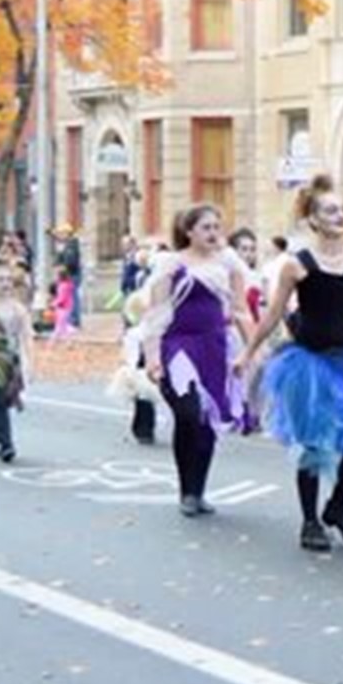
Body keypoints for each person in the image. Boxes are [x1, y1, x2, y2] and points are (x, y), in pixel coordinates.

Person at [236, 175, 343, 553]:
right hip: (307, 363)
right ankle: (310, 522)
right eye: (330, 210)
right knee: (313, 446)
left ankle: (337, 507)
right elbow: (273, 314)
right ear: (314, 220)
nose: (339, 215)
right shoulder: (297, 265)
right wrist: (247, 352)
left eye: (342, 210)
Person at [140, 204, 254, 516]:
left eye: (217, 226)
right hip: (178, 344)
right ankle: (185, 490)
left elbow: (241, 310)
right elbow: (156, 314)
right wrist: (153, 359)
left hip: (215, 346)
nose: (213, 233)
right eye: (206, 227)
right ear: (188, 231)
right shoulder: (170, 264)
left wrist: (252, 348)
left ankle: (198, 490)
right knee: (189, 412)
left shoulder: (228, 263)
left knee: (208, 421)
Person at [0, 261, 34, 464]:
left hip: (8, 360)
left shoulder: (18, 309)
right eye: (0, 279)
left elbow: (26, 337)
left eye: (8, 279)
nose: (5, 284)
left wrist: (29, 364)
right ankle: (6, 444)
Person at [106, 288, 161, 446]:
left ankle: (143, 429)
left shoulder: (140, 331)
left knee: (144, 400)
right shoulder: (138, 331)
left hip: (143, 366)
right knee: (143, 400)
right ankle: (144, 429)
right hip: (139, 367)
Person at [54, 223, 84, 328]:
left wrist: (62, 265)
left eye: (61, 233)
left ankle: (74, 319)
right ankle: (71, 318)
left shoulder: (71, 245)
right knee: (70, 297)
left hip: (72, 274)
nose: (59, 236)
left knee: (73, 297)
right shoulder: (66, 245)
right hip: (68, 275)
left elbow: (70, 261)